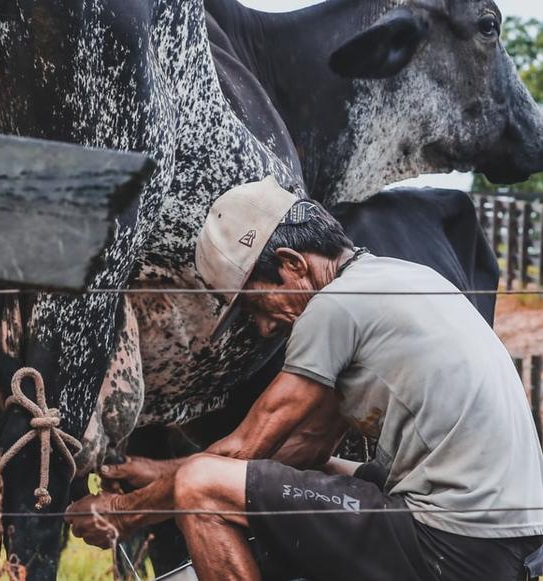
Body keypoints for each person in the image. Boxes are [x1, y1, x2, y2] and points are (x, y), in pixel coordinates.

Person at [66, 176, 543, 581]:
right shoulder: (389, 279)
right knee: (301, 471)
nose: (265, 326)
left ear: (294, 265)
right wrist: (159, 473)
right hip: (509, 538)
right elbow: (302, 452)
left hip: (454, 537)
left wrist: (123, 513)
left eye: (256, 303)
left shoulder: (334, 306)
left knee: (200, 487)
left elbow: (241, 451)